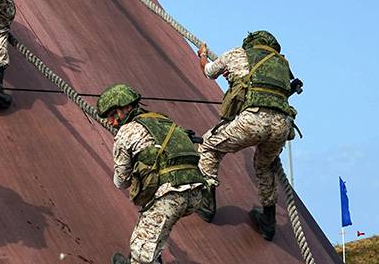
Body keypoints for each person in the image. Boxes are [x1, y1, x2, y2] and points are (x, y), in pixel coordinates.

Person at [196, 30, 300, 240]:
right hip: (281, 126)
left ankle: (207, 204)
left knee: (208, 146)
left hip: (252, 120)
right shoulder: (282, 64)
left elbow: (208, 72)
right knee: (264, 166)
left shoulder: (238, 53)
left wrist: (203, 55)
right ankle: (268, 222)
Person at [97, 84, 206, 264]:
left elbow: (121, 182)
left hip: (169, 197)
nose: (111, 122)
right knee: (150, 232)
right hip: (195, 194)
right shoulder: (163, 120)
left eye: (112, 115)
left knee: (141, 252)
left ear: (126, 108)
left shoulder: (126, 132)